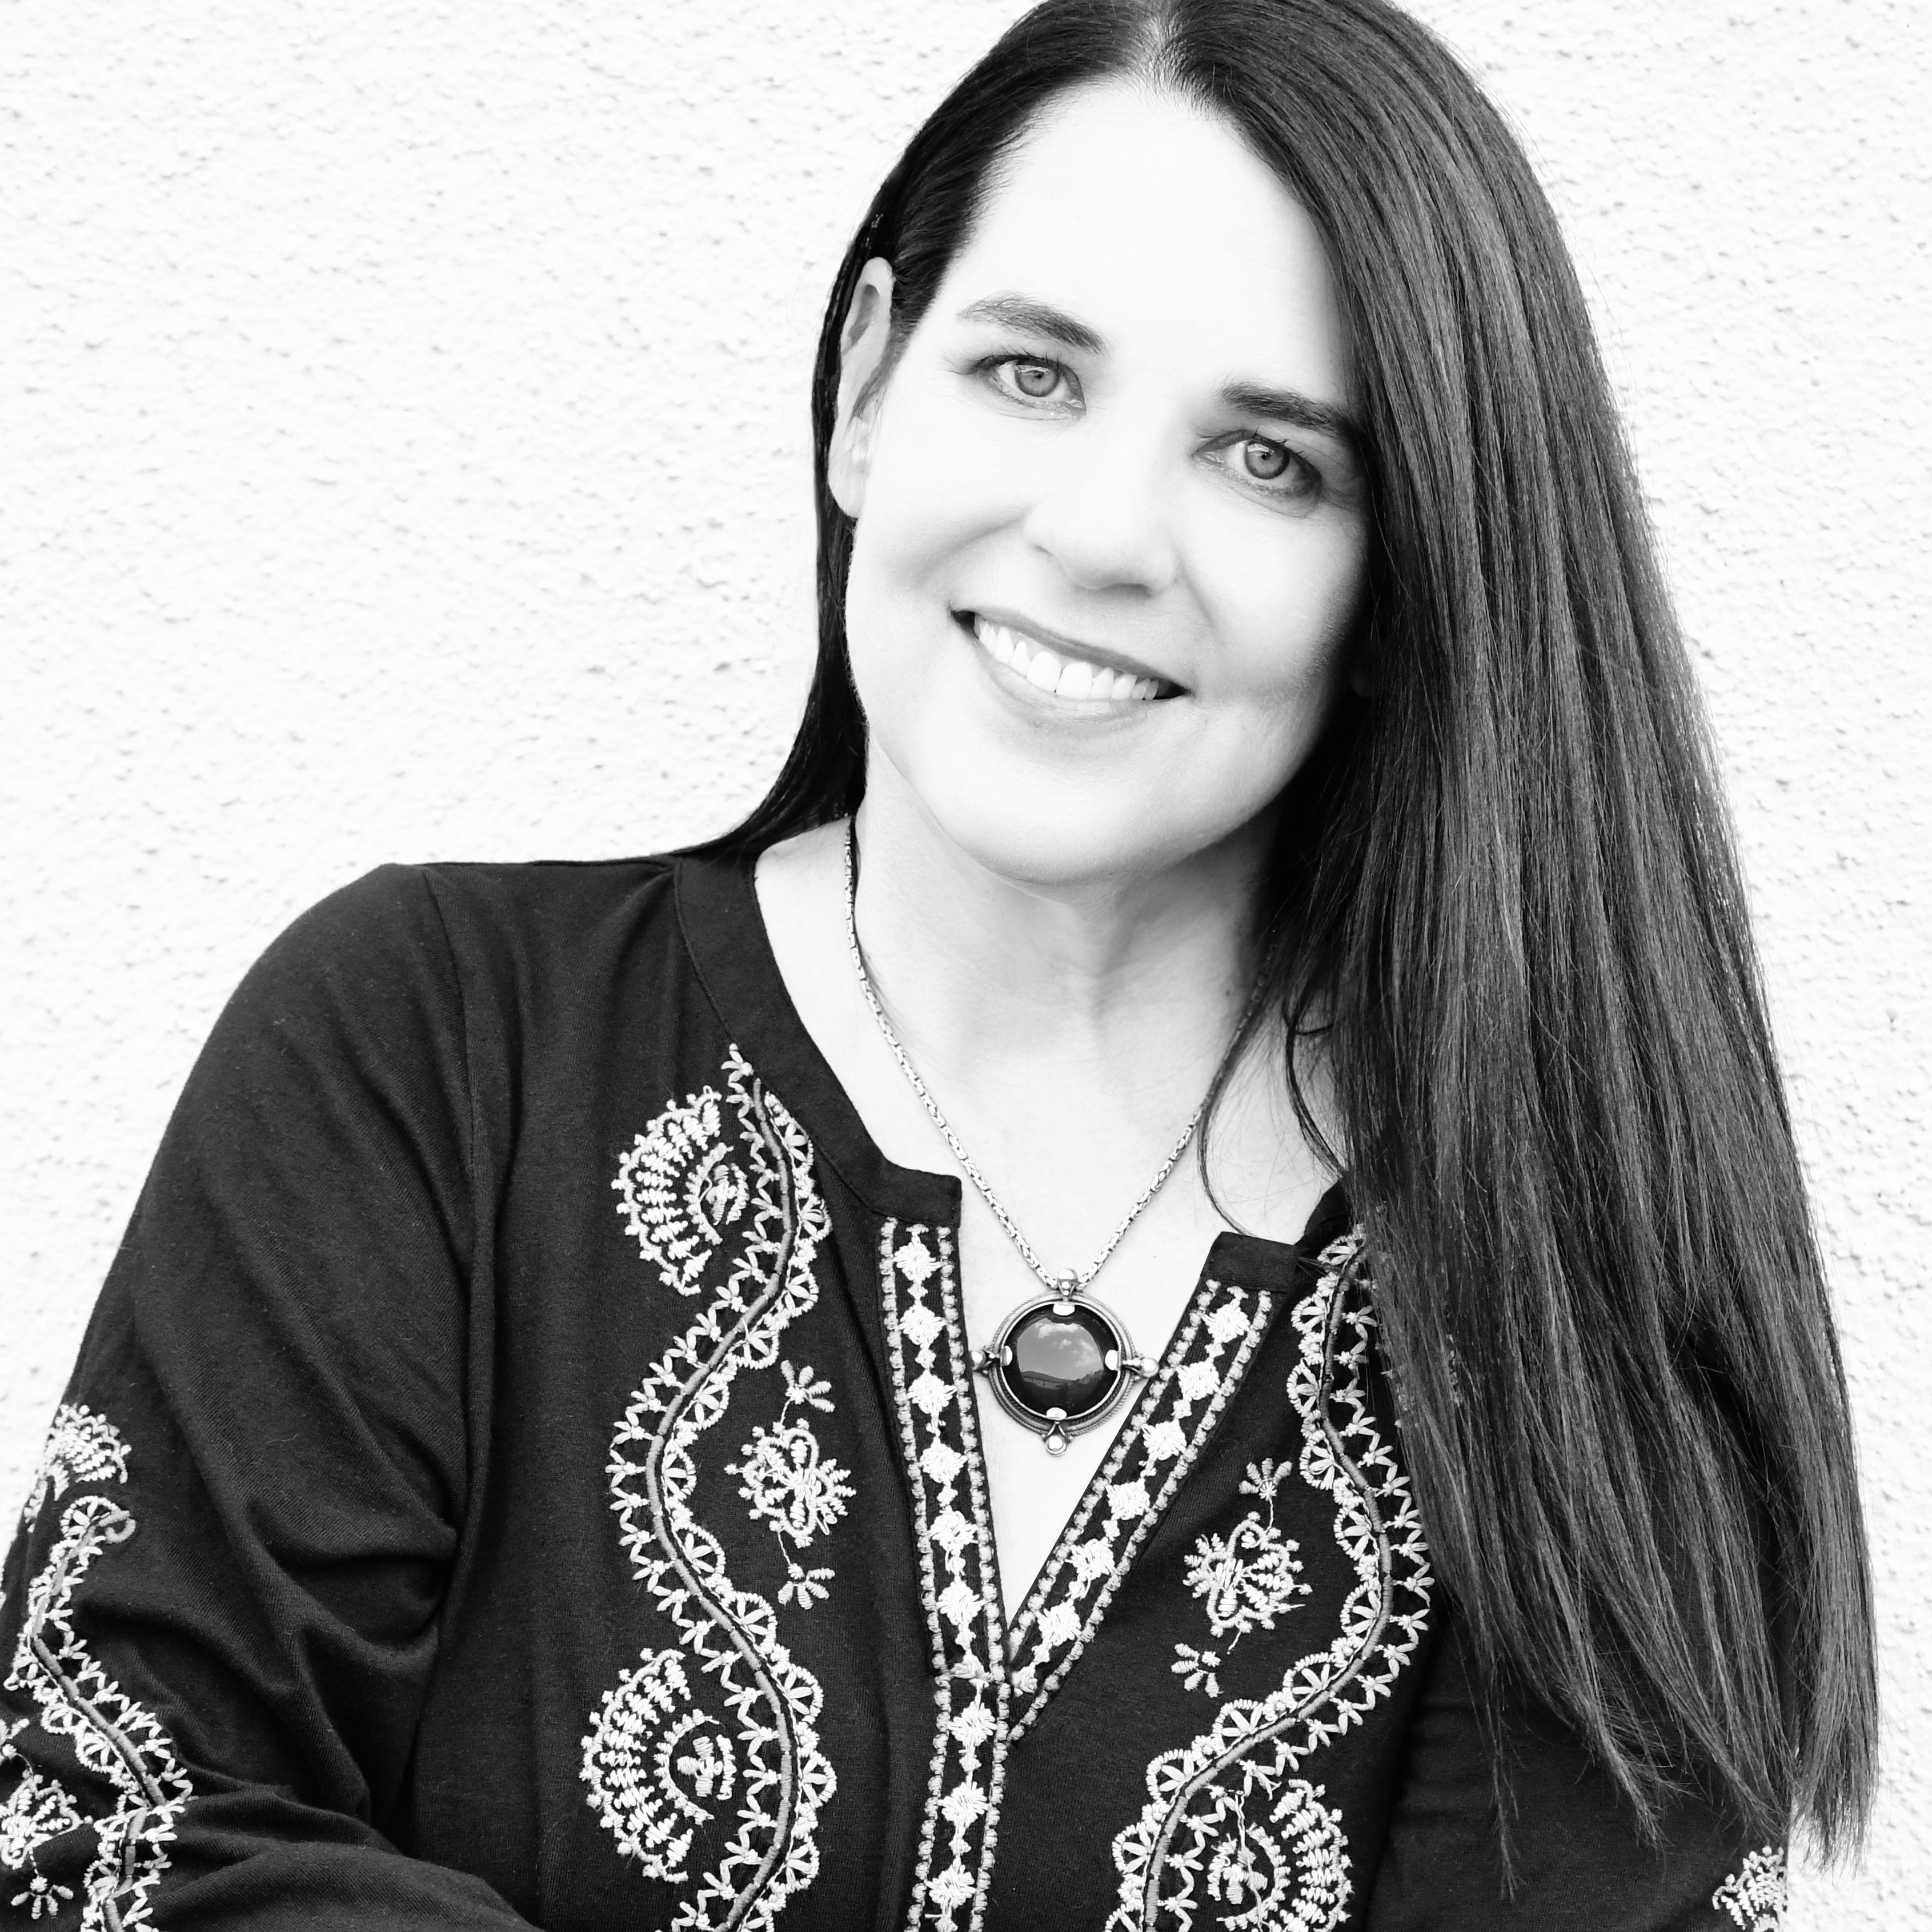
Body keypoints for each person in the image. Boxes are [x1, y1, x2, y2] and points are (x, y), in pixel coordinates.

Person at [0, 0, 1876, 1926]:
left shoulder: (1562, 1269)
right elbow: (116, 1829)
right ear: (866, 392)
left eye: (1266, 457)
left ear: (1403, 584)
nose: (1098, 531)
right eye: (1030, 375)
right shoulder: (430, 1045)